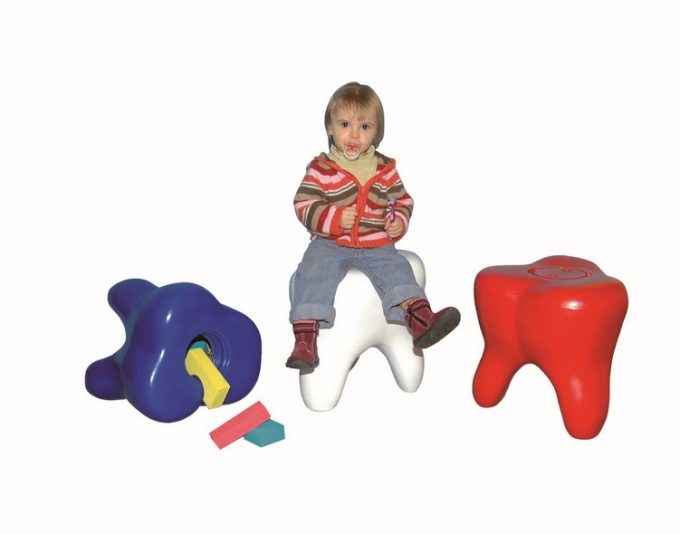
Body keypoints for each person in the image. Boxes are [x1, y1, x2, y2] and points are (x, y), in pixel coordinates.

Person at [287, 82, 460, 371]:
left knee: (398, 268)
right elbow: (304, 204)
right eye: (345, 125)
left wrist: (397, 221)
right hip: (330, 243)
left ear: (376, 132)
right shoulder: (321, 169)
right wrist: (334, 217)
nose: (354, 135)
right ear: (330, 127)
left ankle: (421, 320)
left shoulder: (385, 170)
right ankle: (305, 340)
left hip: (377, 243)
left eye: (365, 127)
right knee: (312, 272)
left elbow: (401, 200)